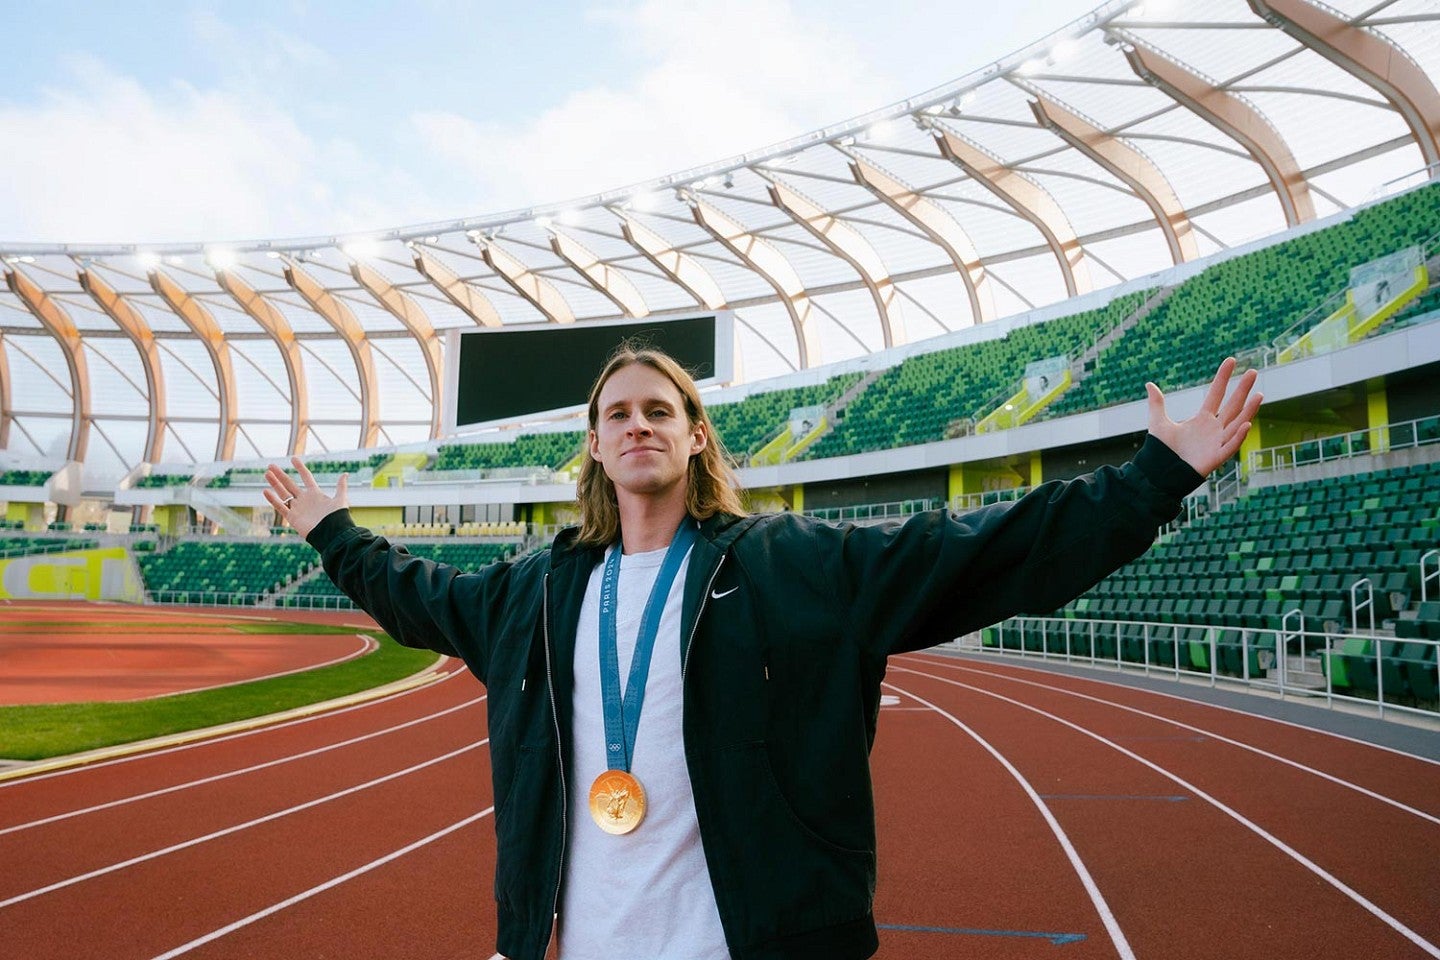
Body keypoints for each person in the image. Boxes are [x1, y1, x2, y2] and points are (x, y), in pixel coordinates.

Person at [265, 346, 1261, 960]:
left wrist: (1151, 481)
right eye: (618, 414)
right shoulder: (535, 589)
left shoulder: (794, 566)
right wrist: (328, 528)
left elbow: (980, 555)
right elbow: (415, 596)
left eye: (660, 410)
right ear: (597, 448)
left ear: (696, 437)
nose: (638, 424)